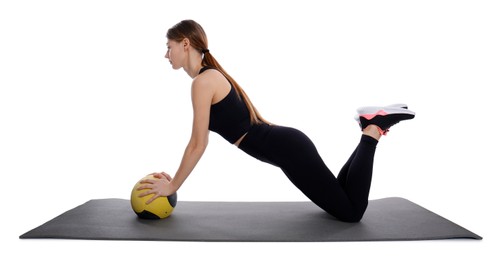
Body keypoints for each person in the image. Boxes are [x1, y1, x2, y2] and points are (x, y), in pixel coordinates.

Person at [137, 19, 415, 222]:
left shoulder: (203, 82)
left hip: (288, 150)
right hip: (287, 148)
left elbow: (198, 143)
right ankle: (369, 126)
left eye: (169, 46)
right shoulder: (209, 77)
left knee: (352, 212)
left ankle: (373, 129)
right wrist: (173, 178)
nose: (166, 54)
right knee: (343, 196)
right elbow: (196, 143)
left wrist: (173, 186)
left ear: (185, 44)